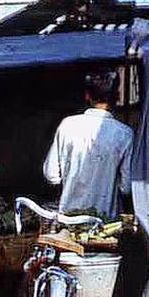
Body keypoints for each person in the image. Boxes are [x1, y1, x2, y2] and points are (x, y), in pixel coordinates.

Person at [43, 69, 133, 218]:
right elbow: (126, 187)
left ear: (87, 95)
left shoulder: (67, 125)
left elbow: (51, 175)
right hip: (105, 225)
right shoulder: (125, 134)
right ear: (116, 97)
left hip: (69, 219)